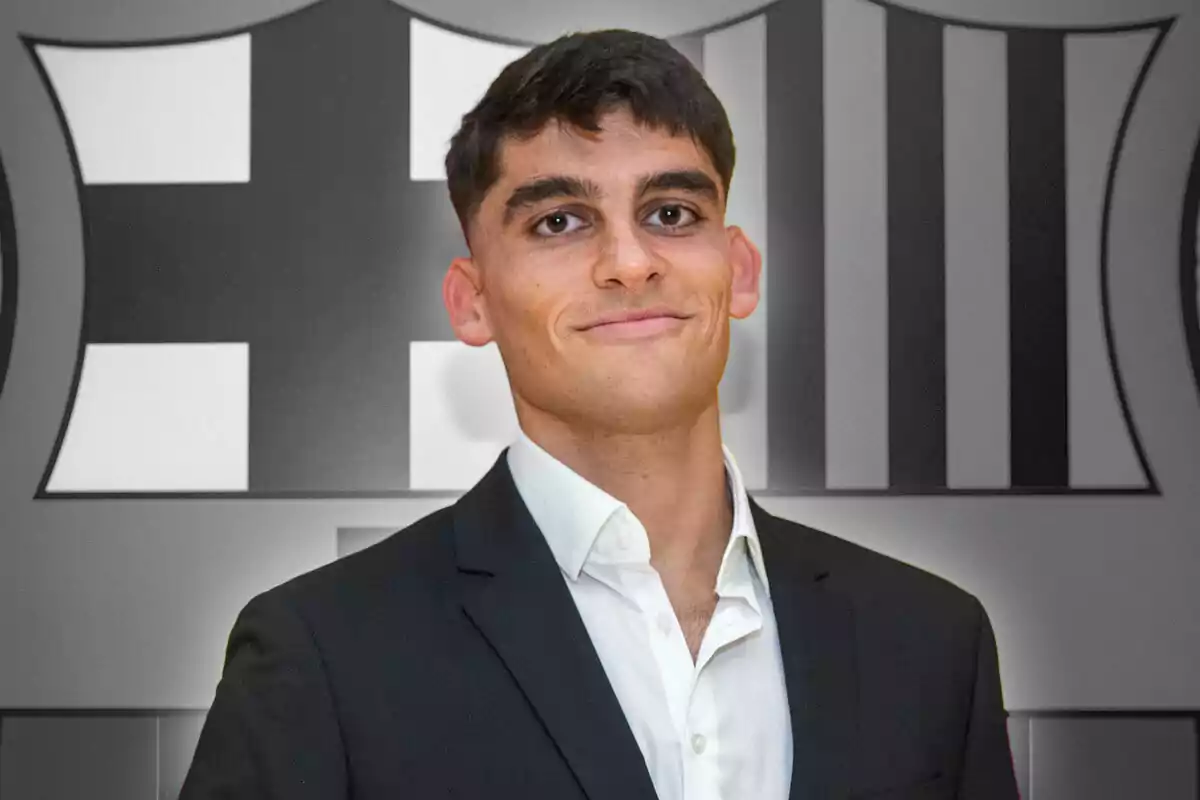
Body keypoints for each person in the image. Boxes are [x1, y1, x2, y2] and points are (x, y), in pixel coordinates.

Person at [179, 28, 1020, 800]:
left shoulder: (931, 645)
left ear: (739, 271)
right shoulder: (323, 655)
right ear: (471, 303)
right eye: (560, 221)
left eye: (670, 213)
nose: (628, 262)